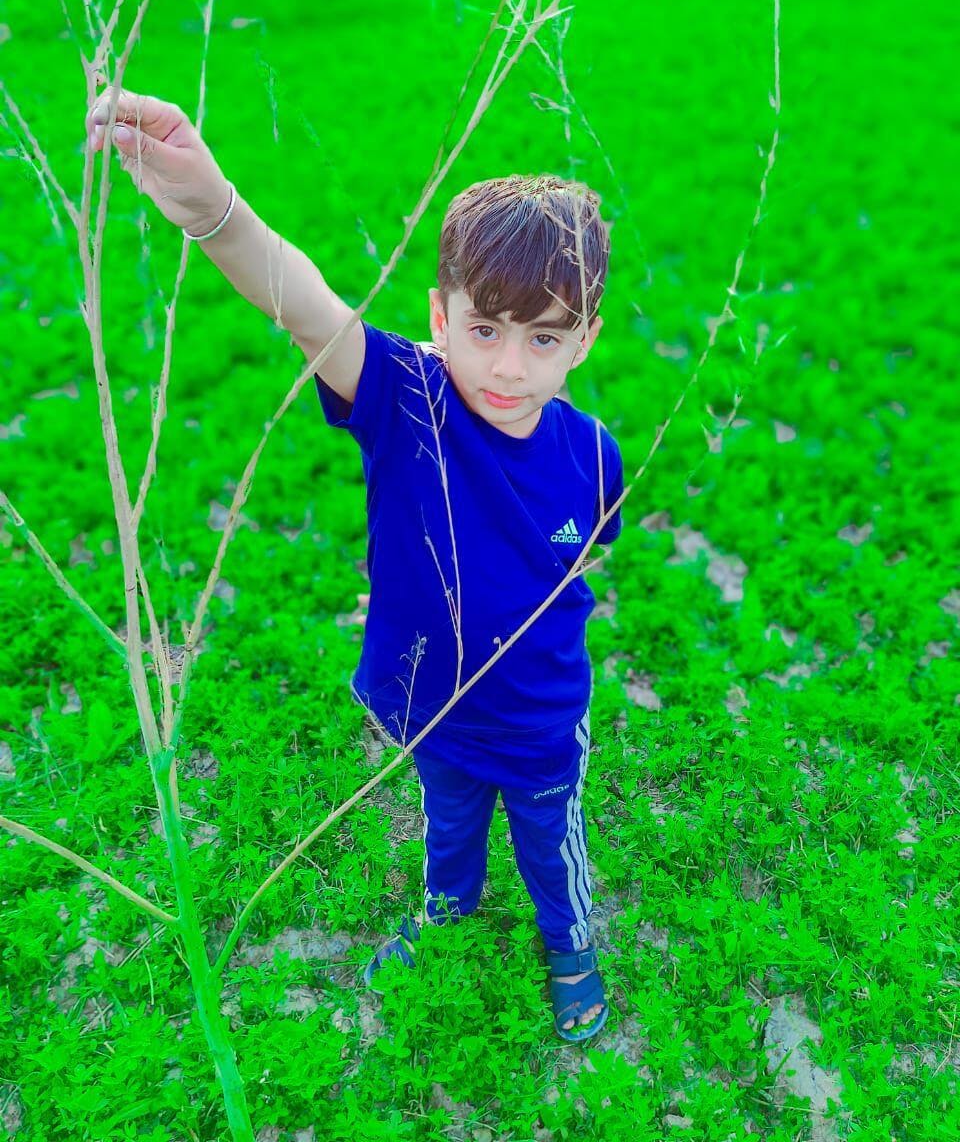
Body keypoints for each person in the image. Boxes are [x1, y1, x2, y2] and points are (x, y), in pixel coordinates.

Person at [85, 88, 625, 1043]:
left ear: (584, 338)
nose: (509, 367)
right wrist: (214, 210)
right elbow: (302, 303)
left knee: (551, 842)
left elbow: (583, 556)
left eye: (544, 338)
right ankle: (447, 907)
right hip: (432, 708)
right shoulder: (408, 397)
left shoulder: (593, 454)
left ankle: (570, 941)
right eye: (485, 330)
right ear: (440, 316)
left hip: (539, 720)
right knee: (450, 822)